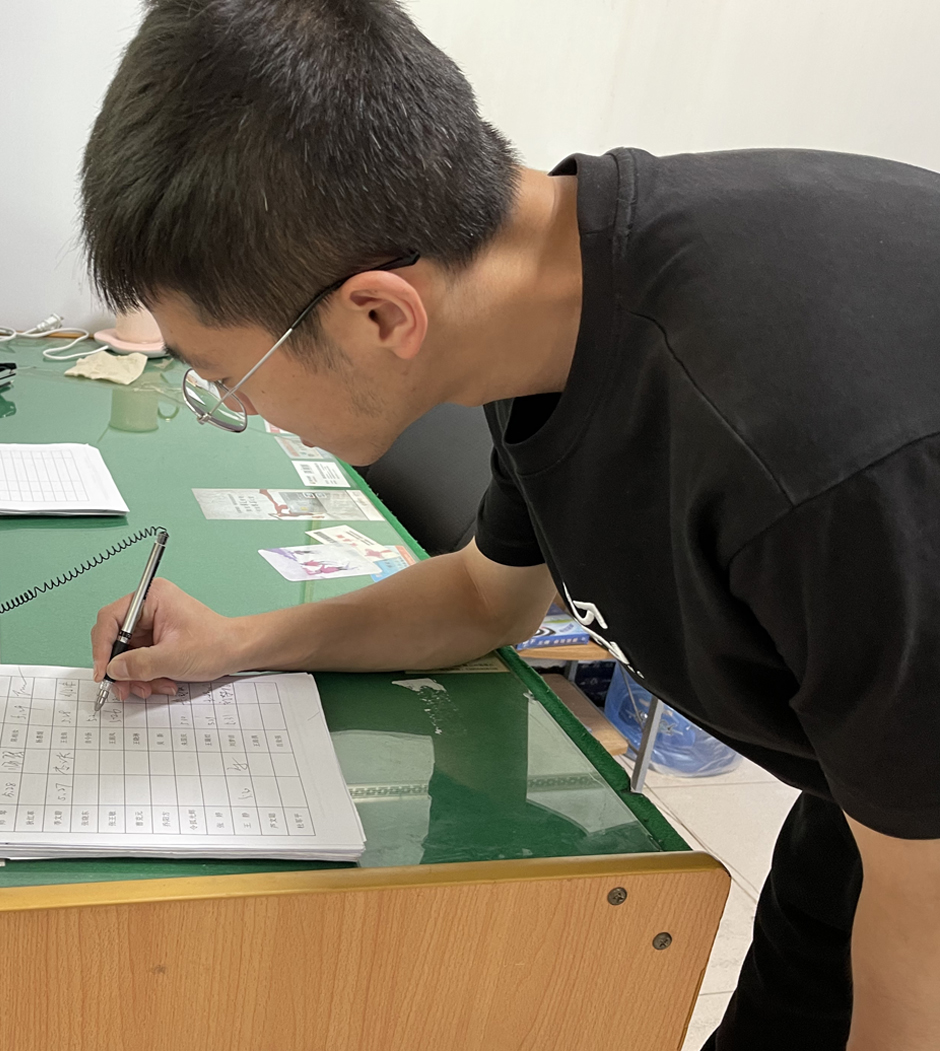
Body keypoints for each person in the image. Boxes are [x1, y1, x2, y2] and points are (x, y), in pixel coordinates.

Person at [78, 2, 940, 1049]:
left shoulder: (803, 452)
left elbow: (925, 926)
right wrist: (236, 641)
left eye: (230, 377)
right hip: (876, 807)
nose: (240, 408)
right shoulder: (542, 295)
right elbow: (486, 596)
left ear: (378, 314)